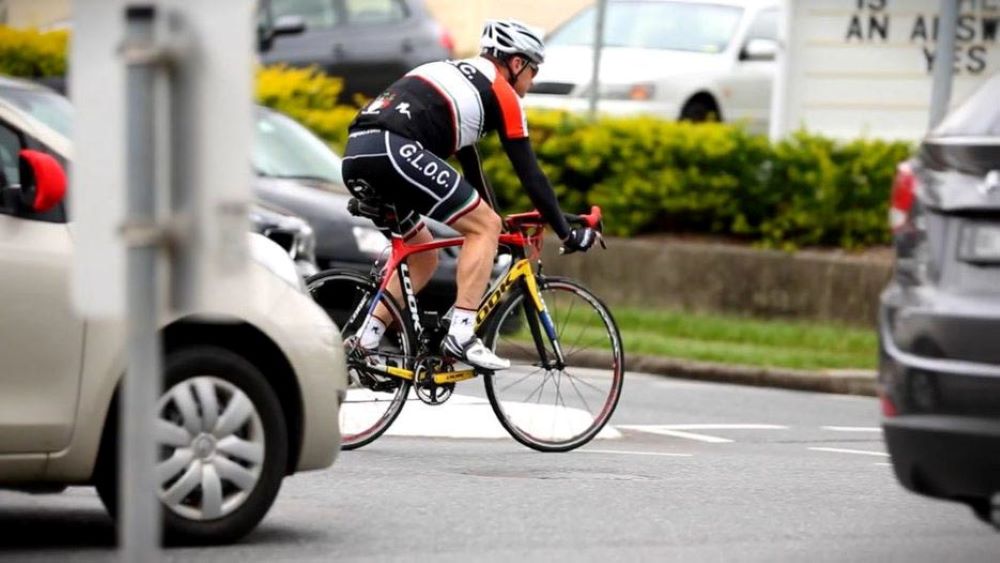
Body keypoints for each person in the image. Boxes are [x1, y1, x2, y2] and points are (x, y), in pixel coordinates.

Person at [341, 19, 598, 371]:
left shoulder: (458, 78)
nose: (532, 81)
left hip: (357, 154)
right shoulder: (500, 91)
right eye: (533, 70)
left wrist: (506, 221)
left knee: (425, 258)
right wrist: (567, 233)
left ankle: (365, 343)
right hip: (393, 149)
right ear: (517, 63)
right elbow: (530, 173)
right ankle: (461, 334)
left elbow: (472, 168)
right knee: (483, 228)